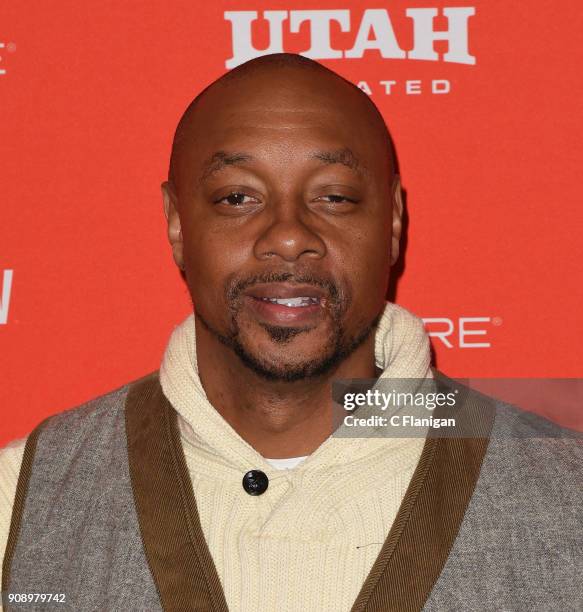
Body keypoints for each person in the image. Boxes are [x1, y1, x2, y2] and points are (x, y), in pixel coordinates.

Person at [1, 53, 581, 612]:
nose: (287, 235)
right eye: (237, 197)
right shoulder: (20, 502)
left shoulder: (566, 497)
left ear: (395, 223)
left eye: (334, 196)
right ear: (177, 223)